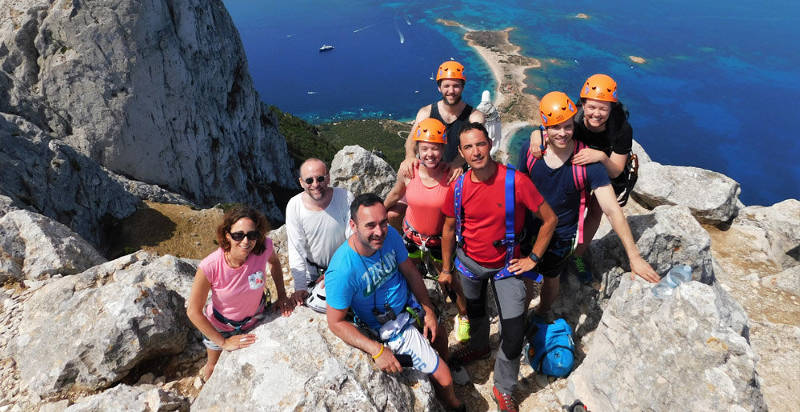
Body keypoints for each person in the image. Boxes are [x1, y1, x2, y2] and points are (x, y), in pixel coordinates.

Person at [440, 123, 557, 412]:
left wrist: (534, 259)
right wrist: (445, 268)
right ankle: (479, 346)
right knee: (476, 310)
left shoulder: (515, 181)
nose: (476, 152)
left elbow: (549, 219)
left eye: (480, 144)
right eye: (468, 147)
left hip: (508, 266)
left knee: (514, 332)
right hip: (469, 263)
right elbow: (448, 229)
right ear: (460, 152)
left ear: (489, 143)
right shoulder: (458, 187)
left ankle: (504, 387)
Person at [519, 91, 659, 320]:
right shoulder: (531, 150)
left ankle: (543, 313)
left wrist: (634, 257)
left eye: (567, 127)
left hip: (561, 235)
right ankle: (521, 316)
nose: (562, 133)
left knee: (551, 277)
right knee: (526, 278)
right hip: (529, 228)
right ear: (545, 126)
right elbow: (517, 187)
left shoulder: (588, 163)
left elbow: (612, 210)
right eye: (555, 127)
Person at [325, 193, 465, 411]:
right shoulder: (342, 270)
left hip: (409, 304)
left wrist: (426, 308)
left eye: (383, 223)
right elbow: (335, 322)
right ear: (353, 225)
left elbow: (409, 270)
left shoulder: (390, 236)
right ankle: (451, 403)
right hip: (391, 326)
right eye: (370, 225)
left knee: (440, 334)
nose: (379, 232)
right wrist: (376, 350)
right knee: (445, 379)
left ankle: (445, 360)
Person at [528, 74, 638, 281]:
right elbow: (553, 126)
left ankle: (577, 255)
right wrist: (537, 133)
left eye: (603, 108)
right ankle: (559, 247)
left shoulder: (621, 128)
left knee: (596, 211)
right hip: (579, 166)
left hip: (607, 168)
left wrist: (601, 157)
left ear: (612, 108)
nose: (597, 114)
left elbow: (616, 171)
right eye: (592, 107)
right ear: (583, 104)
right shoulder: (575, 119)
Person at [384, 118, 471, 342]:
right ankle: (416, 310)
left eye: (435, 148)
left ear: (443, 149)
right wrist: (375, 217)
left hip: (439, 241)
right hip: (411, 237)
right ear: (418, 149)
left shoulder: (452, 177)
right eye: (424, 148)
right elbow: (395, 195)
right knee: (409, 277)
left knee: (450, 280)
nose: (429, 154)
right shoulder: (409, 172)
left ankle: (463, 316)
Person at [187, 206, 293, 381]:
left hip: (254, 320)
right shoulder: (210, 266)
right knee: (213, 368)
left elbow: (274, 262)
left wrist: (282, 295)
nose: (246, 241)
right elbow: (193, 311)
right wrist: (223, 342)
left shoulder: (264, 246)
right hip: (219, 328)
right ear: (227, 235)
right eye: (238, 235)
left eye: (252, 235)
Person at [285, 158, 354, 312]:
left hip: (343, 267)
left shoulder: (345, 198)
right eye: (309, 180)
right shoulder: (294, 206)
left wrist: (336, 271)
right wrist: (300, 287)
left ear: (328, 178)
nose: (315, 184)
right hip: (312, 273)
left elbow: (353, 239)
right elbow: (296, 248)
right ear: (301, 183)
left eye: (320, 178)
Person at [398, 60, 486, 180]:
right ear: (439, 88)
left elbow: (474, 146)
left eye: (456, 86)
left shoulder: (474, 117)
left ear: (462, 87)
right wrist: (410, 156)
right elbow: (412, 140)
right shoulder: (426, 113)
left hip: (458, 174)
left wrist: (457, 163)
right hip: (428, 173)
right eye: (446, 86)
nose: (451, 91)